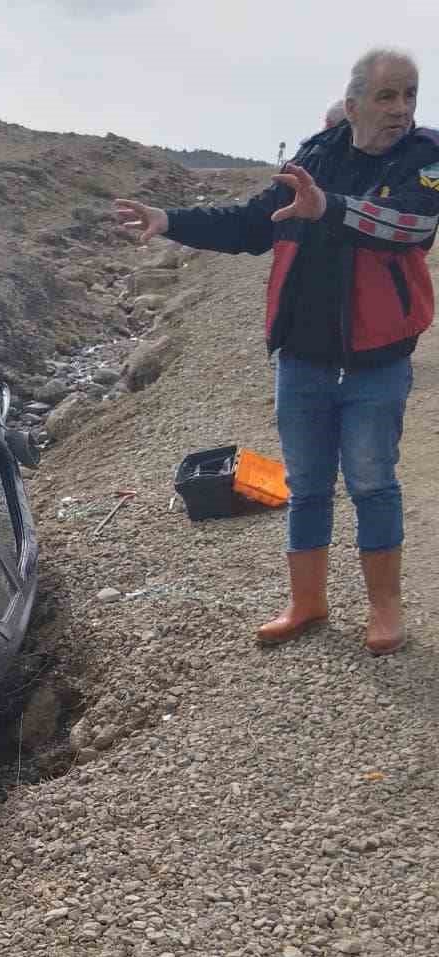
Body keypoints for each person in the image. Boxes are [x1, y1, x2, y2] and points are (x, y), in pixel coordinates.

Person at [115, 49, 439, 654]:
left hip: (377, 360)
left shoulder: (425, 157)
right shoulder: (314, 155)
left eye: (410, 95)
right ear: (352, 106)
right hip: (302, 357)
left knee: (372, 481)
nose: (402, 109)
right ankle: (307, 602)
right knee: (308, 482)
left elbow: (412, 226)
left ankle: (384, 608)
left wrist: (330, 208)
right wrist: (169, 219)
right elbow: (250, 224)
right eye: (387, 96)